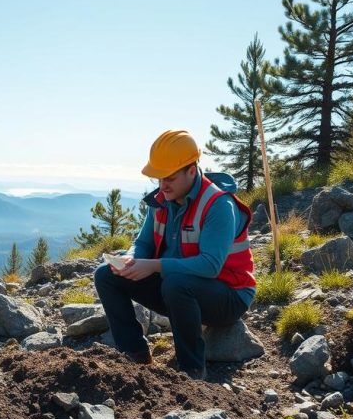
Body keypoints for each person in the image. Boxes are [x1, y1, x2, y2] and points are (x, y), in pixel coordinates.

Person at [93, 130, 256, 380]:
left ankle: (191, 370)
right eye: (159, 178)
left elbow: (211, 266)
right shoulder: (162, 201)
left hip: (229, 296)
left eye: (169, 177)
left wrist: (156, 265)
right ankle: (134, 355)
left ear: (192, 170)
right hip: (178, 290)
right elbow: (144, 242)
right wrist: (131, 258)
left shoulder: (218, 205)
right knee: (106, 275)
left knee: (176, 283)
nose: (162, 184)